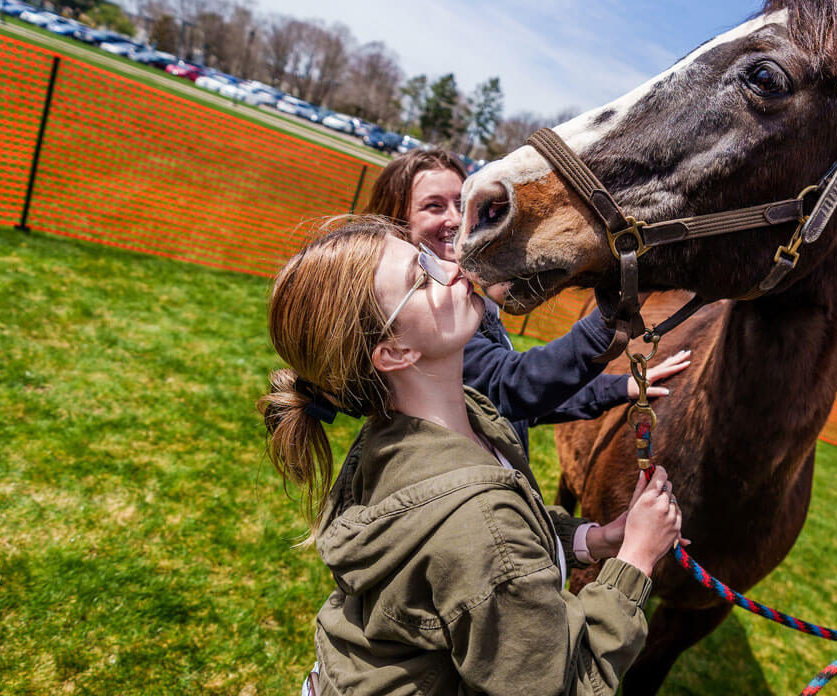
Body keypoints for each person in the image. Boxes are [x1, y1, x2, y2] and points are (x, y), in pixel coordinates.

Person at [259, 217, 684, 695]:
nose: (452, 265)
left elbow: (488, 557)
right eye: (420, 278)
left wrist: (595, 539)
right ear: (394, 352)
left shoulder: (425, 427)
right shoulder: (481, 523)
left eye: (426, 255)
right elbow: (565, 684)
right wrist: (636, 560)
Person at [361, 149, 692, 457]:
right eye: (433, 206)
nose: (454, 219)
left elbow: (505, 405)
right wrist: (620, 300)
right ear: (396, 222)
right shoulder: (425, 316)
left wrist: (620, 387)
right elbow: (512, 386)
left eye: (460, 205)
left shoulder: (458, 299)